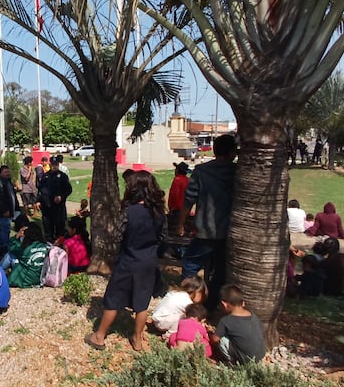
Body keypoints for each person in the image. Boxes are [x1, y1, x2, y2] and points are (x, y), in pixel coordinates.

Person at [85, 170, 167, 352]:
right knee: (142, 302)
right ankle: (137, 339)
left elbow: (116, 236)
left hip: (129, 260)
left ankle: (99, 336)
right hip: (148, 262)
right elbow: (162, 237)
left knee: (114, 298)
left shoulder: (129, 212)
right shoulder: (159, 212)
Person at [178, 134, 237, 309]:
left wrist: (181, 223)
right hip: (228, 232)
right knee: (220, 271)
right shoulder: (238, 172)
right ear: (231, 152)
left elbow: (189, 200)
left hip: (205, 230)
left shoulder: (201, 171)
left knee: (190, 264)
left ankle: (189, 301)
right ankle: (210, 305)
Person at [210, 284, 266, 365]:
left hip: (244, 360)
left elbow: (215, 339)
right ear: (243, 303)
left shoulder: (226, 320)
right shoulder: (253, 316)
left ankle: (232, 362)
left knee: (222, 339)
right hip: (260, 357)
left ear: (224, 304)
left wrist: (210, 334)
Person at [38, 156, 73, 241]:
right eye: (53, 164)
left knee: (59, 229)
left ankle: (59, 246)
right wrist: (38, 201)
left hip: (59, 208)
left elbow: (68, 189)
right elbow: (40, 190)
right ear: (50, 165)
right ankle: (49, 243)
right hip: (47, 207)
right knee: (48, 229)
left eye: (56, 164)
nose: (54, 166)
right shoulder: (45, 176)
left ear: (58, 165)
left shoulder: (63, 176)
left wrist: (61, 196)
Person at [7, 223, 49, 287]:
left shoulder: (24, 248)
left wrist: (16, 236)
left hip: (25, 280)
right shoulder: (45, 246)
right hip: (39, 278)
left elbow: (11, 247)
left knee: (9, 255)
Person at [0, 165, 20, 248]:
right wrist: (4, 210)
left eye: (8, 172)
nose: (8, 173)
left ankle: (0, 246)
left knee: (4, 229)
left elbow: (12, 196)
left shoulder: (7, 181)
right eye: (6, 172)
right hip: (3, 213)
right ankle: (4, 247)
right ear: (1, 172)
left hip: (10, 211)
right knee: (5, 229)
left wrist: (17, 208)